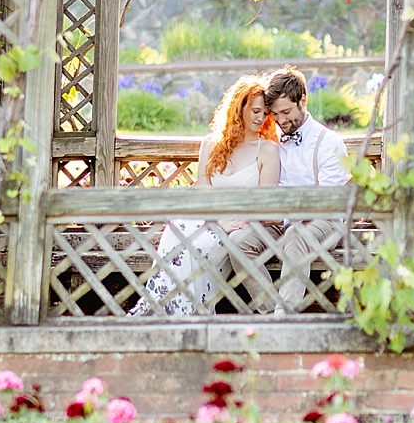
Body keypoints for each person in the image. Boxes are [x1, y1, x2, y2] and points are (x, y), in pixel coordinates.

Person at [131, 77, 278, 316]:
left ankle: (187, 312)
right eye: (255, 110)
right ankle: (158, 306)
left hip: (241, 225)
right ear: (238, 109)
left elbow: (265, 201)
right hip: (210, 215)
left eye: (265, 113)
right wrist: (219, 219)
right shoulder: (211, 144)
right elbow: (204, 188)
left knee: (200, 246)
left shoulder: (268, 150)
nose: (261, 118)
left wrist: (231, 223)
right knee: (176, 231)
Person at [264, 67, 350, 311]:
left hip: (325, 221)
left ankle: (283, 320)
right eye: (275, 114)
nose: (280, 120)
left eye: (286, 112)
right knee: (241, 241)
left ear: (302, 100)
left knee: (295, 236)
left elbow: (329, 202)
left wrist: (283, 216)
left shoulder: (328, 142)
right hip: (282, 220)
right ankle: (268, 312)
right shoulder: (275, 141)